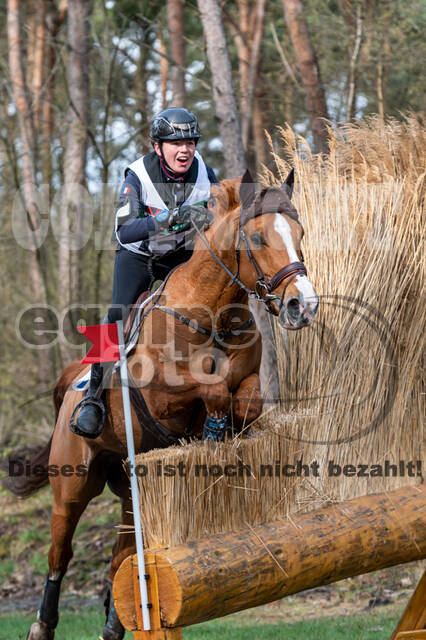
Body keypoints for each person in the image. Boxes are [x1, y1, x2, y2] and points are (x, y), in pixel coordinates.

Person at [72, 107, 219, 438]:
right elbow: (125, 231)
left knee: (213, 309)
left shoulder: (205, 174)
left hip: (180, 255)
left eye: (191, 143)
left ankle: (216, 402)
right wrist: (170, 218)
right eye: (175, 144)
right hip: (139, 256)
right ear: (157, 147)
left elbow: (226, 207)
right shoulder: (136, 176)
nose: (185, 150)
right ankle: (93, 399)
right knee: (116, 315)